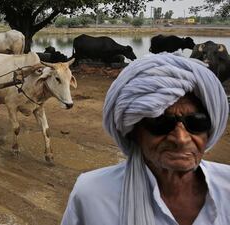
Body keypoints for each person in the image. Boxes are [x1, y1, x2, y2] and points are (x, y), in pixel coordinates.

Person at [61, 53, 230, 225]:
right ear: (134, 133)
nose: (181, 139)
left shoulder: (227, 186)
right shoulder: (92, 195)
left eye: (197, 122)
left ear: (210, 129)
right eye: (160, 123)